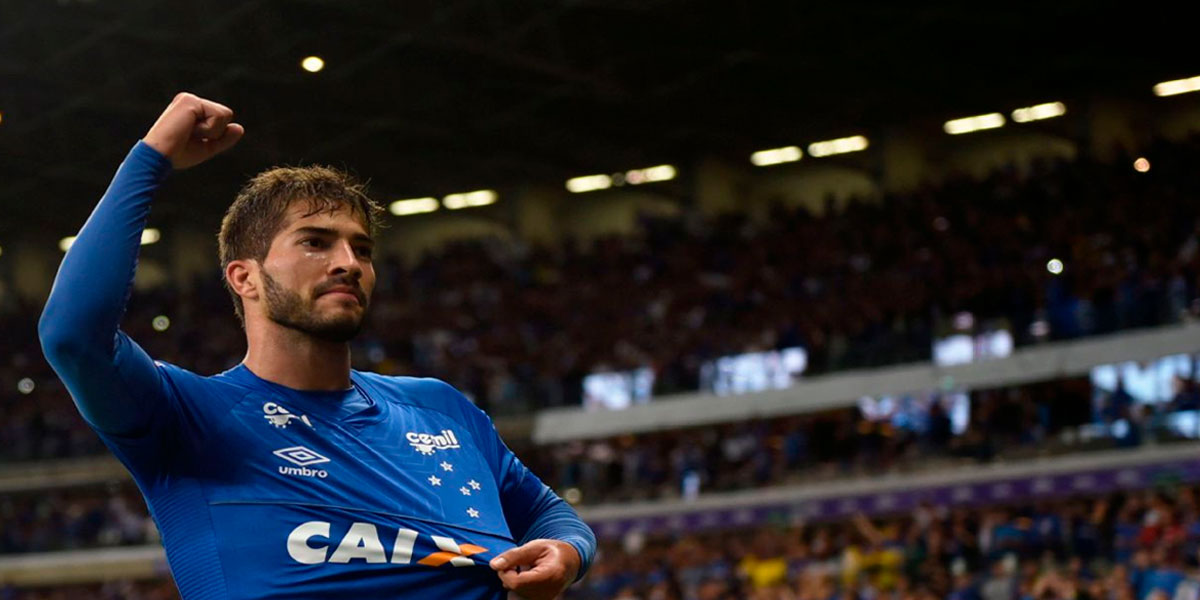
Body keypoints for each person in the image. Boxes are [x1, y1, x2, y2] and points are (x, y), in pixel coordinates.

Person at [38, 93, 595, 599]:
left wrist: (569, 552)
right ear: (243, 277)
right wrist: (150, 156)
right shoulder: (189, 418)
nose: (348, 264)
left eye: (362, 249)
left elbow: (549, 513)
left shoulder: (440, 406)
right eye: (314, 242)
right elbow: (74, 335)